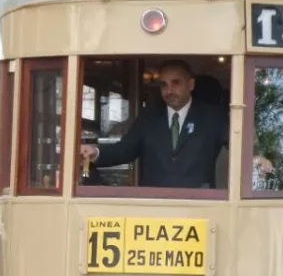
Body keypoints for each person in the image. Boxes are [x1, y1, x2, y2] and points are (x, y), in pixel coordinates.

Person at [79, 60, 230, 189]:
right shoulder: (149, 117)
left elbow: (239, 149)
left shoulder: (213, 117)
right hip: (154, 206)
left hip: (200, 206)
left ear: (190, 84)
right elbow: (125, 150)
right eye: (164, 85)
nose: (169, 90)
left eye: (176, 83)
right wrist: (95, 153)